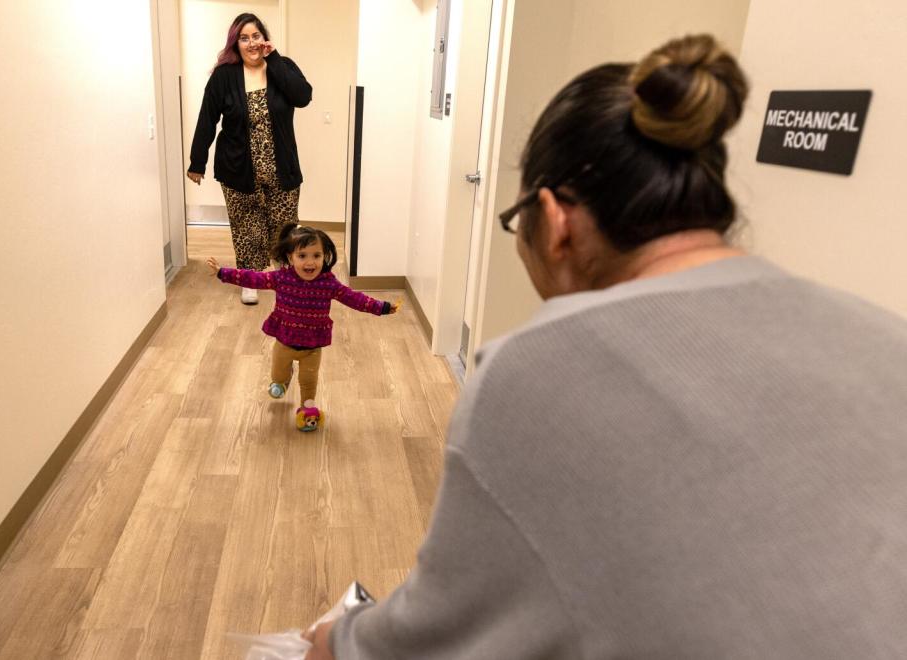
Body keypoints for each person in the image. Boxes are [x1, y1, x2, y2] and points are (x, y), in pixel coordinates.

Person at [304, 34, 907, 658]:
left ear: (555, 220)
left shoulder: (538, 371)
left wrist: (336, 640)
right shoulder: (884, 333)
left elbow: (432, 632)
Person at [207, 224, 399, 431]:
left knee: (309, 380)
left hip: (312, 347)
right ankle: (282, 381)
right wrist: (222, 272)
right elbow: (253, 278)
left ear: (324, 257)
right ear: (290, 258)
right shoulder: (280, 278)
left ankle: (308, 409)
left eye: (316, 255)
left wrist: (382, 307)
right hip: (284, 341)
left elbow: (354, 298)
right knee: (278, 377)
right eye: (302, 256)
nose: (310, 262)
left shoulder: (329, 283)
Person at [188, 12, 312, 305]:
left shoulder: (282, 67)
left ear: (264, 38)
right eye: (244, 38)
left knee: (284, 225)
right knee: (246, 225)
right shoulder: (224, 76)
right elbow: (207, 118)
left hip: (281, 166)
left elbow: (303, 96)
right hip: (237, 167)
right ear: (236, 43)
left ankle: (284, 277)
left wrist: (276, 58)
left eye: (256, 36)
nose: (251, 43)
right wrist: (197, 161)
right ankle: (250, 279)